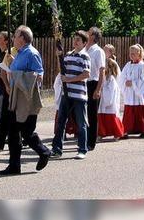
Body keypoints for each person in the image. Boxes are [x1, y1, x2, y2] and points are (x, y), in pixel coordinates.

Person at [0, 25, 51, 175]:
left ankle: (43, 152)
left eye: (15, 36)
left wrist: (19, 76)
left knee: (27, 132)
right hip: (16, 98)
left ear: (22, 38)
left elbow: (39, 76)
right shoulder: (20, 53)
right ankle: (14, 166)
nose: (13, 39)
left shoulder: (32, 53)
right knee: (14, 132)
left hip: (27, 100)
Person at [52, 31, 91, 159]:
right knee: (61, 121)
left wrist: (68, 80)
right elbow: (62, 70)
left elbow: (86, 74)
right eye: (75, 39)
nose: (75, 41)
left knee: (81, 123)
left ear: (84, 43)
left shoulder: (85, 56)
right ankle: (57, 149)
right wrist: (60, 57)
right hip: (66, 93)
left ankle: (82, 149)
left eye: (79, 40)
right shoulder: (68, 55)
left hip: (79, 94)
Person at [120, 44, 144, 138]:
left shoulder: (142, 66)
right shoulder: (128, 65)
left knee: (140, 112)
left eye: (134, 53)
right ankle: (126, 130)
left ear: (139, 54)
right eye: (130, 53)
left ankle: (143, 130)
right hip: (130, 93)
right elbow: (122, 77)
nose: (132, 55)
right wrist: (125, 82)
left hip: (139, 94)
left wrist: (133, 83)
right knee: (129, 112)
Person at [85, 27, 106, 152]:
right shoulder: (84, 49)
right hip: (83, 83)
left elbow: (101, 71)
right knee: (83, 113)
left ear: (93, 36)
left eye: (89, 32)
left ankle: (91, 141)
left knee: (92, 114)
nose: (87, 34)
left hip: (93, 83)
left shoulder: (98, 51)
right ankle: (84, 138)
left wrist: (98, 89)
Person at [98, 57, 125, 140]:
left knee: (112, 117)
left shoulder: (111, 79)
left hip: (110, 102)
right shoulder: (104, 77)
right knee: (102, 117)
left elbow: (110, 90)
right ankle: (102, 133)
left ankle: (117, 133)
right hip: (103, 101)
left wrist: (102, 90)